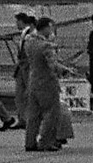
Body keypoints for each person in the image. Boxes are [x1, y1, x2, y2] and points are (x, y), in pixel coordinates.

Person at [23, 17, 64, 152]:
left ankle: (30, 142)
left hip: (33, 81)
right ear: (45, 28)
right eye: (50, 27)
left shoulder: (29, 42)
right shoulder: (45, 45)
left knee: (33, 115)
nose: (51, 30)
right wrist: (62, 70)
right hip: (47, 83)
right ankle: (45, 142)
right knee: (50, 113)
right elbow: (52, 65)